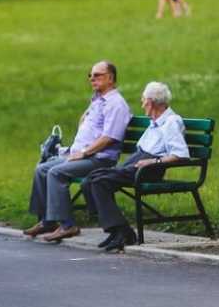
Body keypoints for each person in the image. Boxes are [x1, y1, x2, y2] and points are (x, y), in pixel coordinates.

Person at [25, 60, 132, 242]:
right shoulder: (98, 101)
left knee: (56, 172)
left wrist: (84, 153)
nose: (92, 79)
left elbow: (109, 138)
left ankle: (68, 225)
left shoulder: (116, 104)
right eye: (90, 75)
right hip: (83, 154)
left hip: (99, 159)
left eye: (97, 75)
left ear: (110, 78)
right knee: (42, 168)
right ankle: (48, 220)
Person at [81, 82, 190, 252]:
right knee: (90, 179)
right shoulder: (155, 121)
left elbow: (180, 154)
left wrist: (153, 162)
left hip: (149, 168)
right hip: (138, 162)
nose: (142, 104)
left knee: (99, 182)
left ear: (151, 102)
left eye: (143, 101)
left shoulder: (171, 122)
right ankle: (116, 230)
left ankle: (123, 232)